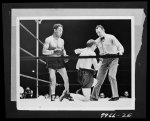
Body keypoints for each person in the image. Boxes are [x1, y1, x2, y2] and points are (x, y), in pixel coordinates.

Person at [75, 25, 124, 101]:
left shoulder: (111, 37)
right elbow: (89, 48)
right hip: (103, 60)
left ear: (103, 30)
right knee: (98, 79)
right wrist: (80, 50)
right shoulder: (97, 40)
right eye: (97, 33)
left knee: (111, 75)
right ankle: (94, 97)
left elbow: (120, 47)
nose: (98, 34)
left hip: (113, 58)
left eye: (99, 32)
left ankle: (115, 96)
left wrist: (120, 52)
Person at [42, 23, 73, 101]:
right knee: (53, 79)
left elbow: (63, 50)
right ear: (55, 30)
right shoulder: (48, 39)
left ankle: (67, 93)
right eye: (59, 30)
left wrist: (65, 55)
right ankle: (53, 95)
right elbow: (43, 51)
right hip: (51, 60)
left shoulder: (62, 40)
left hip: (59, 60)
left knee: (66, 78)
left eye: (62, 30)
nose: (61, 32)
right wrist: (53, 52)